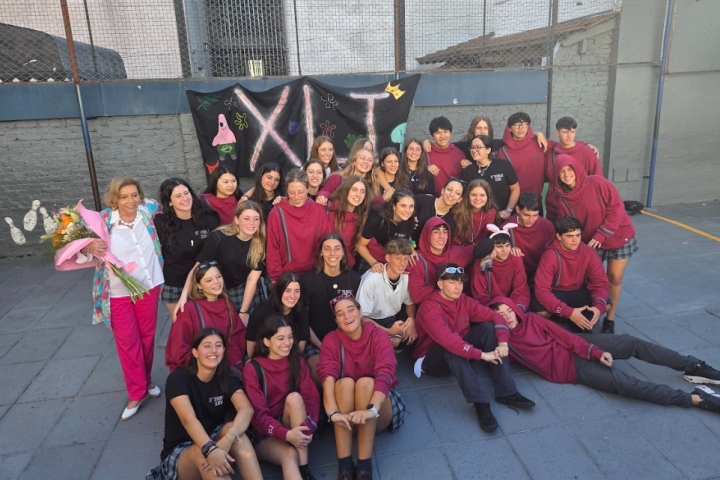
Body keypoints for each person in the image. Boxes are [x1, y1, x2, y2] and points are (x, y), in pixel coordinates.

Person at [491, 299, 720, 416]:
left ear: (515, 309)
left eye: (509, 310)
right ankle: (695, 399)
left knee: (630, 342)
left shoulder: (532, 319)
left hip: (578, 344)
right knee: (625, 383)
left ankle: (694, 366)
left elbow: (566, 337)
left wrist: (596, 352)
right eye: (500, 314)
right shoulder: (503, 341)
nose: (507, 316)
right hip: (569, 367)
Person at [413, 264, 535, 432]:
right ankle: (480, 403)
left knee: (488, 328)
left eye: (460, 282)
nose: (458, 287)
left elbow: (495, 317)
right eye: (452, 282)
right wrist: (482, 355)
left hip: (460, 347)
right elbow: (449, 341)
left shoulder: (463, 300)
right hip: (433, 358)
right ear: (440, 284)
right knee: (452, 348)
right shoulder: (429, 307)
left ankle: (506, 392)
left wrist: (503, 342)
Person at [80, 177, 164, 420]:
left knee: (147, 338)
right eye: (124, 197)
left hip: (148, 285)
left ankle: (146, 381)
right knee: (127, 341)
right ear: (114, 199)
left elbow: (175, 202)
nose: (130, 201)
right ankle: (137, 393)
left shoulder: (148, 210)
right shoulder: (103, 220)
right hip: (118, 293)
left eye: (134, 195)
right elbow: (80, 248)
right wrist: (87, 247)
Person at [146, 328, 262, 480]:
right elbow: (188, 420)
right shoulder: (178, 379)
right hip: (183, 449)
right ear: (195, 352)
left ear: (224, 351)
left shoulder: (226, 375)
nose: (213, 350)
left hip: (213, 437)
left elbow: (246, 409)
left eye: (218, 345)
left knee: (233, 431)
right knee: (202, 455)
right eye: (207, 346)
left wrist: (227, 441)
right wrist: (210, 450)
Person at [318, 294, 405, 480]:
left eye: (351, 310)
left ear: (360, 312)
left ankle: (364, 468)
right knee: (344, 383)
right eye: (340, 314)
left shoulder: (377, 335)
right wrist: (332, 413)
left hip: (376, 411)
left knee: (366, 383)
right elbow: (327, 378)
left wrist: (371, 410)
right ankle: (345, 468)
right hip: (346, 417)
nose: (347, 316)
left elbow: (385, 373)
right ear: (336, 320)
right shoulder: (331, 340)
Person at [555, 155, 638, 333]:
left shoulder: (598, 182)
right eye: (562, 171)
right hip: (592, 242)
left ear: (577, 169)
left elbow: (616, 208)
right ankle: (592, 314)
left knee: (614, 277)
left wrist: (602, 234)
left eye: (569, 169)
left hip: (617, 235)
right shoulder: (563, 200)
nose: (567, 174)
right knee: (591, 280)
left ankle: (610, 319)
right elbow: (568, 225)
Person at [244, 316, 321, 480]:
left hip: (290, 421)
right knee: (289, 454)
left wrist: (309, 427)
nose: (287, 343)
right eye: (280, 338)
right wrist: (286, 435)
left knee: (295, 398)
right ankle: (302, 468)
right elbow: (258, 417)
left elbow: (311, 397)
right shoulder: (253, 368)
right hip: (264, 432)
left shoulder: (296, 359)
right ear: (266, 341)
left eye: (290, 337)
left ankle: (304, 469)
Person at [176, 201, 265, 322]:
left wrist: (243, 312)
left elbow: (252, 280)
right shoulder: (219, 237)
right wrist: (184, 296)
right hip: (220, 289)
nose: (251, 223)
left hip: (249, 292)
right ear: (237, 220)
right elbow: (197, 268)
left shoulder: (260, 243)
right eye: (247, 218)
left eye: (256, 219)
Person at [533, 216, 609, 333]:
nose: (575, 240)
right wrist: (568, 312)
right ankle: (560, 326)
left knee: (606, 304)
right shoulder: (550, 256)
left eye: (578, 235)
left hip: (577, 289)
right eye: (569, 236)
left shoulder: (589, 253)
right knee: (542, 312)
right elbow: (542, 291)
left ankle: (578, 322)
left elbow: (600, 283)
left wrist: (599, 307)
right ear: (559, 236)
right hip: (555, 291)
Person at [155, 178, 219, 317]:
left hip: (204, 281)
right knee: (181, 324)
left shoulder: (208, 219)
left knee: (207, 323)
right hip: (175, 283)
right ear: (169, 202)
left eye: (186, 193)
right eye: (178, 196)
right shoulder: (161, 223)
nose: (185, 198)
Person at [301, 234, 362, 381]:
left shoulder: (354, 278)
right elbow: (303, 321)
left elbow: (360, 315)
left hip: (347, 340)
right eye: (327, 249)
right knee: (322, 376)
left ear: (343, 252)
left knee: (353, 375)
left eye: (337, 248)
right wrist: (322, 346)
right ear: (321, 253)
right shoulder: (308, 281)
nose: (332, 253)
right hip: (317, 341)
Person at [166, 262, 246, 372]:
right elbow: (179, 350)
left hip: (224, 364)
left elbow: (236, 339)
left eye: (218, 276)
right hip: (196, 369)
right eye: (209, 280)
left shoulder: (228, 305)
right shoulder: (188, 310)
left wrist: (231, 365)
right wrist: (207, 367)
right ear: (199, 285)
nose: (216, 282)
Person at [266, 168, 331, 283]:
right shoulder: (277, 213)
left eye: (301, 192)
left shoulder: (318, 211)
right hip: (286, 276)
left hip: (314, 274)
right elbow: (273, 250)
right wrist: (278, 280)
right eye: (292, 192)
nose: (296, 197)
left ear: (308, 189)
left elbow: (326, 243)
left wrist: (323, 273)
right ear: (286, 190)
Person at [408, 217, 486, 304]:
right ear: (427, 234)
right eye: (436, 232)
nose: (442, 236)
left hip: (457, 305)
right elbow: (417, 296)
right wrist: (445, 286)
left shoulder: (455, 252)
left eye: (445, 232)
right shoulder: (416, 259)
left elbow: (477, 249)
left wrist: (492, 247)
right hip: (432, 307)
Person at [357, 239, 417, 348]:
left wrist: (411, 320)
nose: (402, 263)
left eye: (405, 258)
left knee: (406, 338)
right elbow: (362, 317)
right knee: (391, 341)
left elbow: (409, 302)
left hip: (389, 318)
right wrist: (389, 332)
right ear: (388, 258)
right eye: (398, 258)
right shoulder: (372, 279)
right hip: (370, 320)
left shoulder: (405, 277)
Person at [545, 117, 603, 221]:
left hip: (580, 208)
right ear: (557, 133)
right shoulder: (551, 153)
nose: (569, 135)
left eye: (572, 132)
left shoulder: (587, 153)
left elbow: (598, 181)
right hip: (555, 207)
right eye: (565, 132)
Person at [423, 116, 547, 163]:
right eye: (478, 128)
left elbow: (517, 139)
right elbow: (444, 144)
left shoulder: (498, 144)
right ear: (473, 130)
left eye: (485, 128)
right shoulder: (463, 146)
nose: (482, 131)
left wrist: (536, 134)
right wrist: (427, 142)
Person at [246, 272, 310, 357]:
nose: (292, 296)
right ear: (279, 291)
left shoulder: (301, 309)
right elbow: (251, 348)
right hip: (264, 357)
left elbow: (302, 340)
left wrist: (293, 359)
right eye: (287, 290)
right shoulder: (260, 313)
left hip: (291, 355)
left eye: (297, 291)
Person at [460, 135, 519, 220]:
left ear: (488, 150)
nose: (474, 150)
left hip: (502, 216)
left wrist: (508, 210)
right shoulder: (467, 171)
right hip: (479, 219)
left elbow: (515, 189)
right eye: (472, 147)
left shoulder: (503, 165)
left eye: (478, 147)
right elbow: (464, 197)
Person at [356, 189, 416, 273]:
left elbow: (406, 237)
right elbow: (360, 245)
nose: (407, 210)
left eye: (411, 206)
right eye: (403, 206)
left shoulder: (410, 221)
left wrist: (412, 248)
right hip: (370, 258)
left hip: (391, 260)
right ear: (394, 206)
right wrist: (374, 263)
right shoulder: (376, 218)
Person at [470, 229, 530, 311]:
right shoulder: (481, 264)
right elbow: (480, 295)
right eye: (499, 247)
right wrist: (498, 311)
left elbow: (521, 289)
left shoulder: (515, 259)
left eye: (507, 246)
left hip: (512, 305)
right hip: (490, 307)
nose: (505, 250)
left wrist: (515, 309)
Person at [502, 192, 555, 284]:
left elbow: (553, 253)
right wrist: (507, 250)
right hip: (515, 275)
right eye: (526, 215)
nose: (531, 220)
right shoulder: (506, 227)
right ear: (518, 210)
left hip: (540, 273)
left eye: (535, 215)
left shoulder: (547, 226)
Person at [495, 112, 548, 201]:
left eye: (524, 124)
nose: (521, 127)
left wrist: (539, 134)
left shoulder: (540, 143)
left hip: (536, 199)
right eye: (516, 124)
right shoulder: (503, 152)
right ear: (509, 129)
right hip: (516, 201)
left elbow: (562, 148)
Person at [327, 175, 372, 270]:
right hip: (326, 264)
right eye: (354, 190)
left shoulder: (362, 216)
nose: (358, 195)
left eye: (362, 191)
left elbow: (369, 242)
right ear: (346, 190)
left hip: (347, 265)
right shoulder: (329, 210)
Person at [413, 177, 464, 242]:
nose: (452, 194)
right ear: (442, 190)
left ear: (460, 199)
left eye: (457, 193)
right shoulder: (421, 200)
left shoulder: (452, 222)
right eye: (449, 189)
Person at [426, 117, 466, 197]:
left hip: (451, 199)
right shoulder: (425, 152)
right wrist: (425, 168)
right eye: (438, 133)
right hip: (430, 199)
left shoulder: (460, 155)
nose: (442, 136)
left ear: (450, 133)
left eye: (445, 132)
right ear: (432, 135)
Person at [452, 179, 498, 246]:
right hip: (458, 246)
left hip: (480, 247)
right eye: (473, 195)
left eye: (482, 195)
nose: (478, 198)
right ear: (468, 196)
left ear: (488, 197)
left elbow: (486, 236)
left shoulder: (491, 212)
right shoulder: (458, 210)